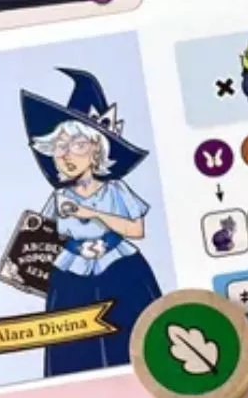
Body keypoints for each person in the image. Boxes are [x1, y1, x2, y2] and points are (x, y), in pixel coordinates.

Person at [21, 68, 162, 376]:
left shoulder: (116, 190)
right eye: (60, 147)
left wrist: (94, 215)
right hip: (71, 278)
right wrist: (74, 249)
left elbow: (136, 230)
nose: (66, 155)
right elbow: (41, 239)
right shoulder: (59, 197)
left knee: (136, 345)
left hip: (121, 270)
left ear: (97, 149)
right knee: (73, 356)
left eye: (77, 145)